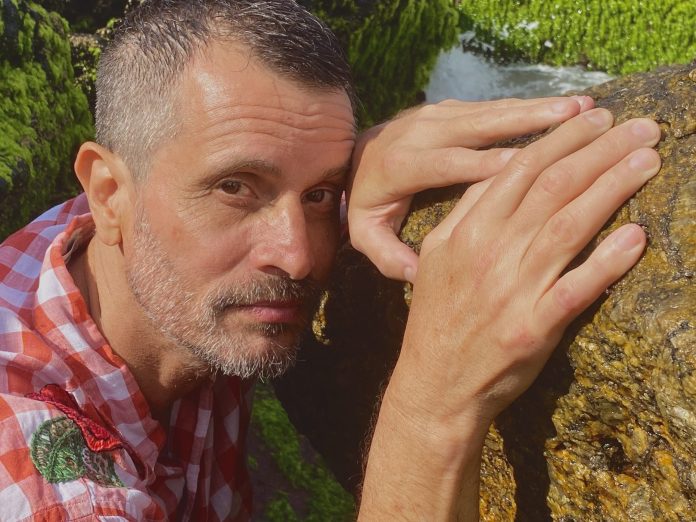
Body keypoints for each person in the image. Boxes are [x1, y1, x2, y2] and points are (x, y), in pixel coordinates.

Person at [0, 0, 662, 520]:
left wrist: (369, 160)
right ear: (109, 193)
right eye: (235, 187)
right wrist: (432, 412)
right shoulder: (36, 476)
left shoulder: (115, 248)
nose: (297, 256)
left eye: (320, 193)